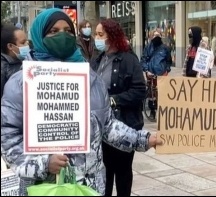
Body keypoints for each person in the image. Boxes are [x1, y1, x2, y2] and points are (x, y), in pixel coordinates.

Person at [1, 8, 162, 196]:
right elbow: (9, 139)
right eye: (54, 31)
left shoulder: (90, 79)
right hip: (44, 187)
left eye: (68, 31)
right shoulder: (21, 83)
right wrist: (44, 163)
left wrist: (144, 139)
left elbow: (108, 126)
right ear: (39, 36)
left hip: (89, 187)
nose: (63, 36)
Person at [91, 19, 146, 197]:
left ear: (112, 36)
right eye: (95, 34)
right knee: (104, 173)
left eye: (100, 35)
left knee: (122, 173)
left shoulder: (129, 59)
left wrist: (114, 100)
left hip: (124, 124)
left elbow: (139, 91)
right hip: (101, 128)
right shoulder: (98, 59)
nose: (96, 38)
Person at [140, 29, 172, 119]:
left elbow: (169, 61)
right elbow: (143, 60)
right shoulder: (147, 48)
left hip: (162, 74)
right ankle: (152, 111)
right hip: (151, 73)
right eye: (154, 35)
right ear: (151, 37)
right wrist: (146, 70)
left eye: (158, 35)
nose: (156, 37)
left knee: (162, 93)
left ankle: (163, 112)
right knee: (151, 94)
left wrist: (167, 70)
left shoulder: (165, 48)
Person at [1, 23, 29, 97]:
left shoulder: (24, 61)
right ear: (10, 46)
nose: (27, 46)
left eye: (27, 42)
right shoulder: (3, 68)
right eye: (23, 43)